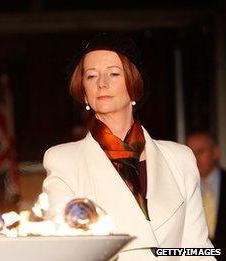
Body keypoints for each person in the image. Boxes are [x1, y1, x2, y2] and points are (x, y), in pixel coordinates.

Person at [42, 32, 213, 260]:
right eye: (91, 76)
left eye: (113, 73)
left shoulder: (180, 159)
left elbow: (197, 250)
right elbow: (64, 251)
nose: (102, 83)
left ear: (133, 84)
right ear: (83, 91)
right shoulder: (64, 161)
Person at [186, 132, 225, 249]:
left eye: (200, 152)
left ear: (215, 153)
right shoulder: (182, 188)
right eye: (190, 153)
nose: (195, 158)